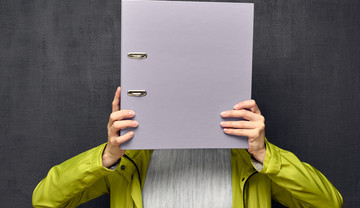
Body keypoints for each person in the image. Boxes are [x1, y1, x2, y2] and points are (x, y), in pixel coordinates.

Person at [32, 87, 343, 208]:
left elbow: (329, 203)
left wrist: (264, 154)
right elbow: (45, 200)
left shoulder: (251, 161)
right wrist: (107, 156)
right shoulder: (127, 160)